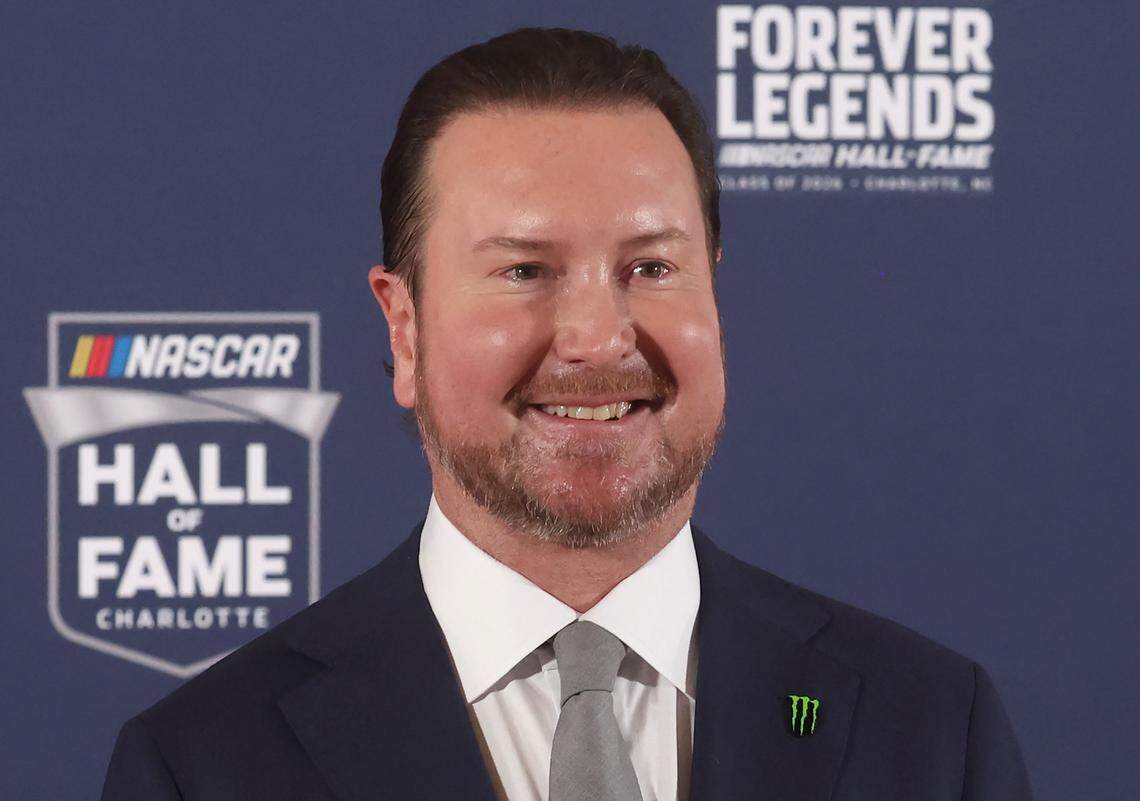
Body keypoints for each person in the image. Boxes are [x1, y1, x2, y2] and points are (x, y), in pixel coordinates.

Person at [101, 27, 1033, 801]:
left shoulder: (933, 732)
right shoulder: (201, 766)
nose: (596, 337)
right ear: (405, 327)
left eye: (651, 267)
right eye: (524, 270)